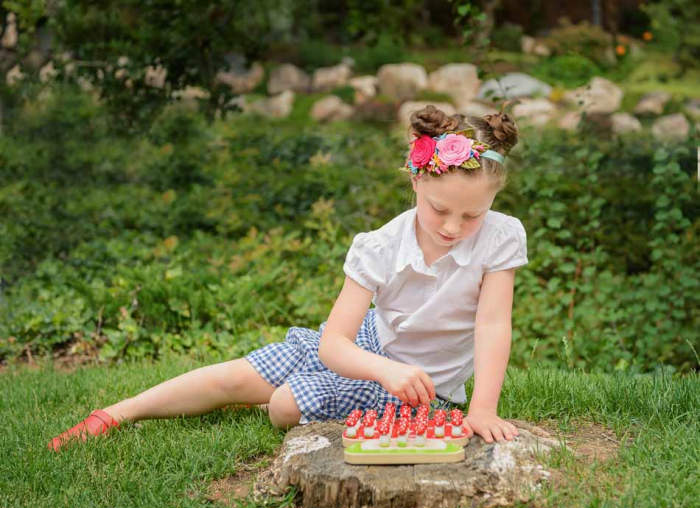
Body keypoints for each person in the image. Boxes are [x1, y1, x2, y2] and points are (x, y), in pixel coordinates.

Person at [48, 104, 528, 452]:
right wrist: (382, 367)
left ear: (493, 201)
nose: (452, 227)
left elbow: (491, 325)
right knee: (238, 375)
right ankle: (118, 412)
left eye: (472, 215)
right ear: (416, 180)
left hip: (422, 387)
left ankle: (269, 400)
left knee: (284, 405)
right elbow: (335, 344)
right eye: (439, 209)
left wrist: (481, 409)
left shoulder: (500, 238)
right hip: (370, 345)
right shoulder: (380, 246)